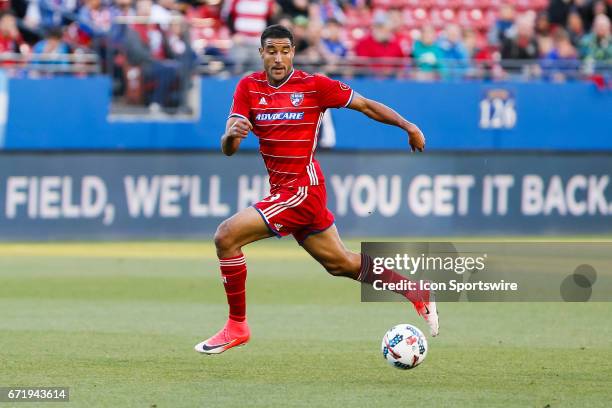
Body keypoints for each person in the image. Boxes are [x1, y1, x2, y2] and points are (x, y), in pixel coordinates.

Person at [194, 24, 438, 355]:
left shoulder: (314, 86)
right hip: (288, 191)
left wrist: (408, 126)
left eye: (285, 51)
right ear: (261, 53)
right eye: (271, 51)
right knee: (340, 264)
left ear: (293, 52)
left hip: (302, 191)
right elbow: (230, 146)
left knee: (226, 236)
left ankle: (237, 326)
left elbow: (365, 105)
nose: (278, 58)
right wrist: (230, 135)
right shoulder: (248, 87)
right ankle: (414, 290)